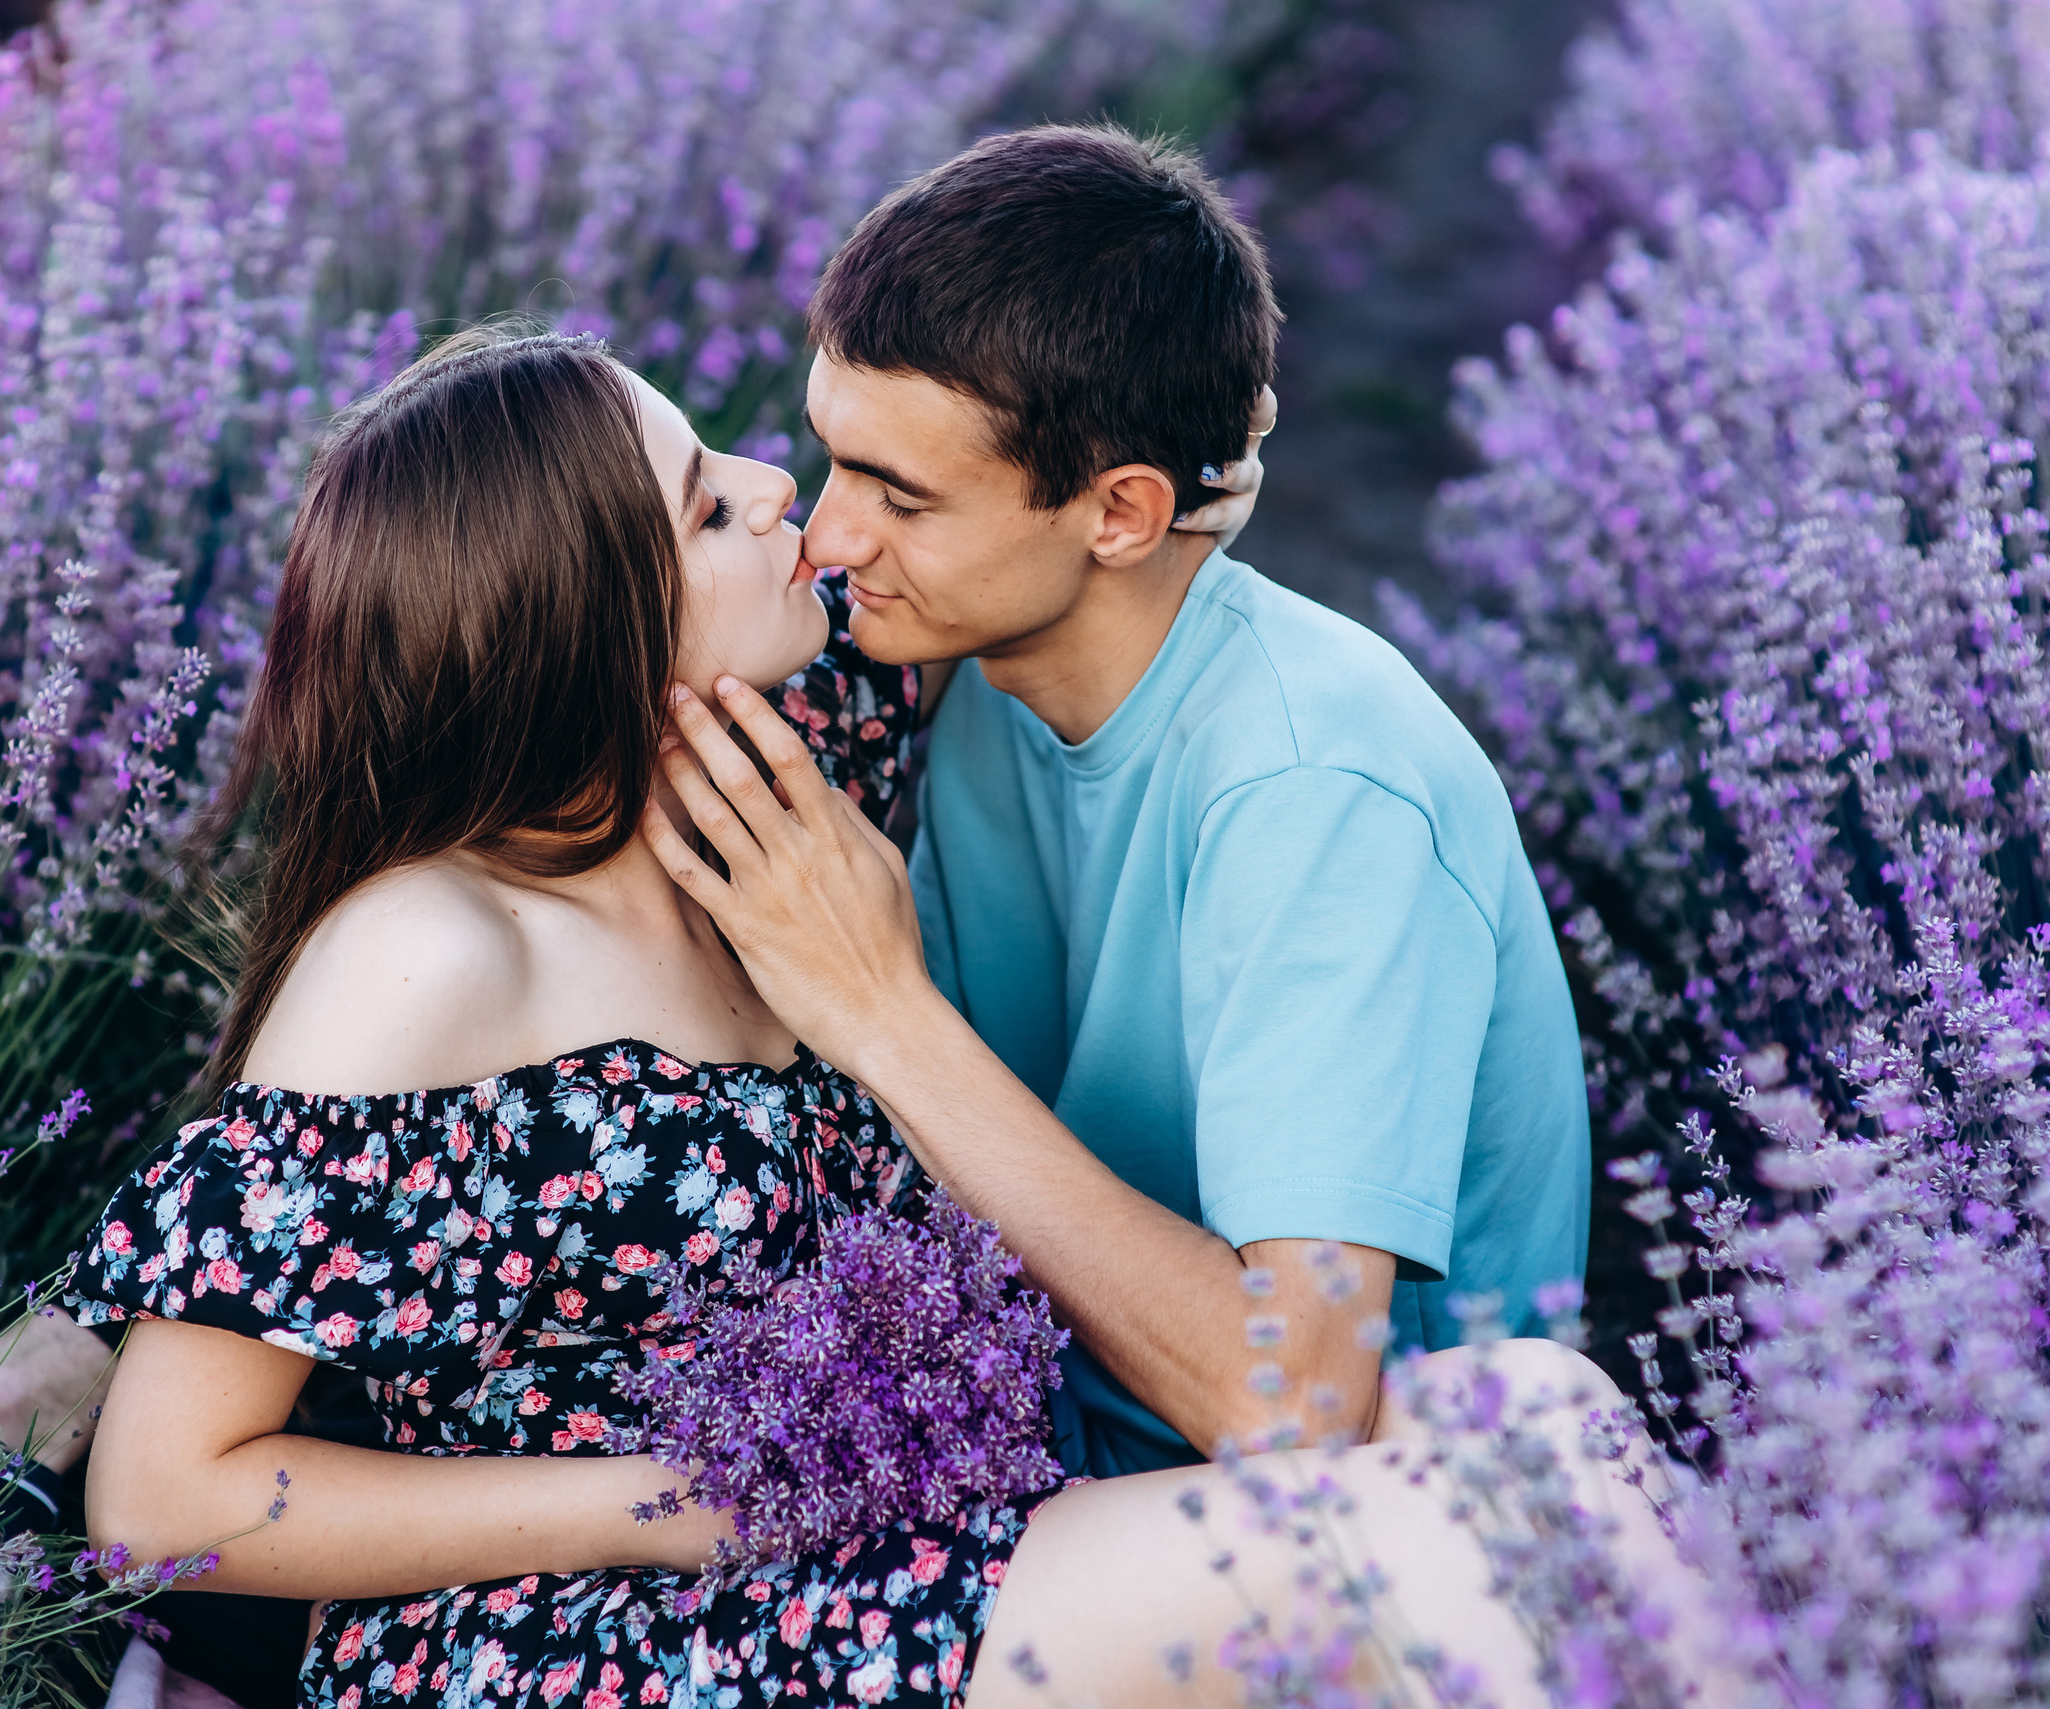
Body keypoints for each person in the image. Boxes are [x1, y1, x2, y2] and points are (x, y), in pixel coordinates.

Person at [56, 325, 1723, 1709]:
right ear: (595, 636)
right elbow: (164, 1498)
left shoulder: (794, 773)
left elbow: (1038, 550)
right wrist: (672, 1506)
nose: (787, 495)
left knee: (1535, 1415)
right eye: (710, 507)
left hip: (916, 1540)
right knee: (1400, 1551)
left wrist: (1179, 445)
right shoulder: (435, 950)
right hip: (606, 1631)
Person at [641, 123, 1594, 1484]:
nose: (832, 538)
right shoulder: (958, 652)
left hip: (1334, 1543)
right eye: (834, 459)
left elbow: (1302, 1409)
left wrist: (879, 1013)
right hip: (1021, 1444)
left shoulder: (1317, 787)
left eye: (902, 497)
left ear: (1123, 515)